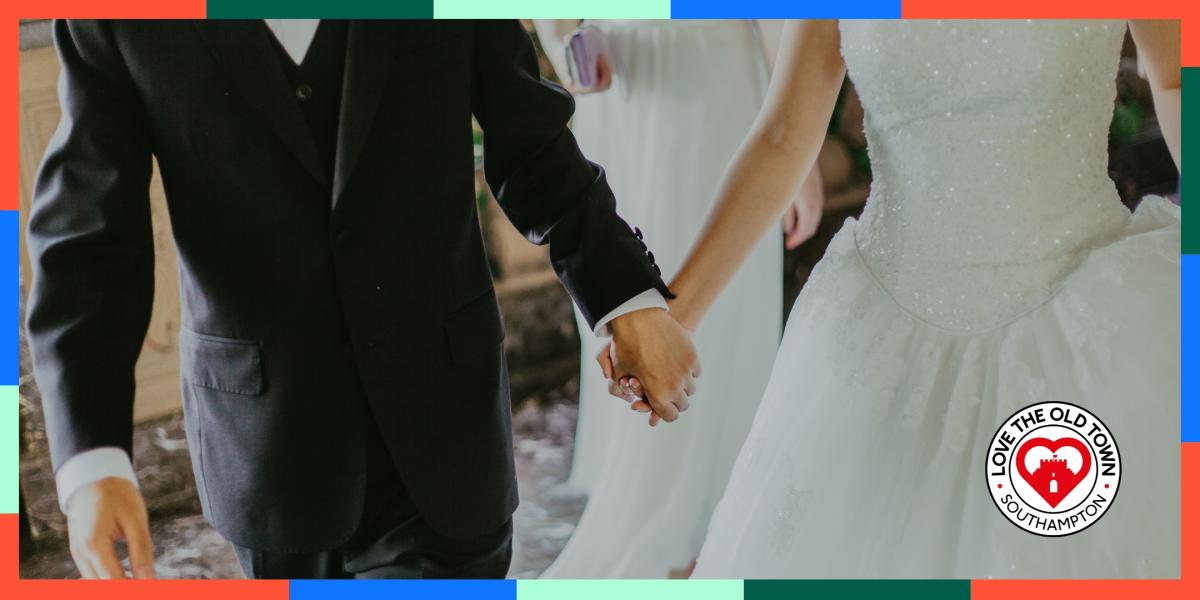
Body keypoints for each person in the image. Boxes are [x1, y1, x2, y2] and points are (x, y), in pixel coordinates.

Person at [26, 19, 699, 579]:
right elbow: (88, 240)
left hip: (445, 441)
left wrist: (626, 298)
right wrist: (90, 460)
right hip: (267, 455)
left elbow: (531, 143)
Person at [617, 19, 1181, 578]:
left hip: (1084, 317)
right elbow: (783, 135)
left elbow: (1178, 80)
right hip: (881, 333)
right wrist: (674, 315)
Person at [532, 19, 821, 577]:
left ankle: (693, 492)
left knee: (676, 278)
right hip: (659, 84)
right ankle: (673, 491)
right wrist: (567, 38)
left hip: (666, 77)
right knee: (654, 284)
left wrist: (568, 35)